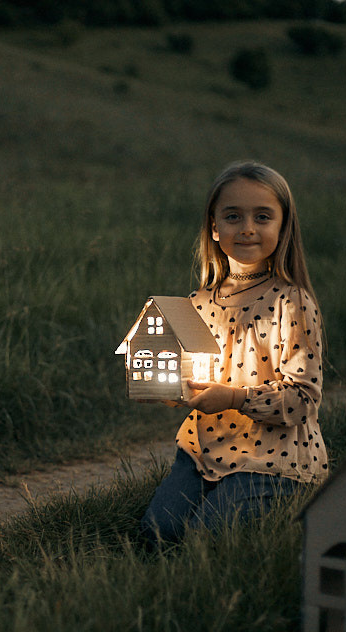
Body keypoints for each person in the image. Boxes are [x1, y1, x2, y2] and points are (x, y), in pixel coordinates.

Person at [139, 160, 329, 545]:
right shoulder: (196, 302)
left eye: (262, 216)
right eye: (232, 216)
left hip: (273, 459)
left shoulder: (290, 302)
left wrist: (233, 398)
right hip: (202, 449)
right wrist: (175, 391)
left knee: (207, 536)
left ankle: (287, 499)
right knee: (159, 534)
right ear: (213, 226)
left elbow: (302, 400)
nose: (246, 228)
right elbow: (186, 373)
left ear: (283, 226)